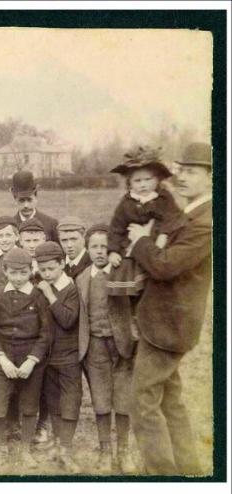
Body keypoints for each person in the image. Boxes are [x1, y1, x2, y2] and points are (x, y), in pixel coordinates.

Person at [127, 142, 212, 475]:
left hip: (168, 326)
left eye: (192, 172)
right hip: (163, 323)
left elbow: (164, 267)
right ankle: (189, 471)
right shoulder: (190, 212)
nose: (181, 177)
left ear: (212, 178)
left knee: (143, 403)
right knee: (170, 402)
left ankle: (163, 476)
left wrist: (140, 241)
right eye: (181, 170)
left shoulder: (206, 222)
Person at [0, 247, 54, 472]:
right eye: (13, 273)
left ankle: (25, 449)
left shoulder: (38, 296)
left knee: (29, 405)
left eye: (23, 273)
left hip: (29, 360)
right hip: (3, 359)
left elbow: (46, 333)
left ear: (30, 271)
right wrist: (2, 359)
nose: (17, 278)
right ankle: (1, 449)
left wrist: (31, 360)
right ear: (5, 271)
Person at [76, 224, 137, 474]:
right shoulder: (81, 279)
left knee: (123, 399)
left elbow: (138, 306)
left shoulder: (124, 273)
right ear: (87, 249)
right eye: (94, 247)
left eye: (104, 246)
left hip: (122, 345)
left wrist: (134, 335)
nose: (100, 251)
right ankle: (104, 451)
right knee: (100, 400)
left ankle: (124, 451)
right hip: (95, 347)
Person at [107, 146, 182, 300]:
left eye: (148, 179)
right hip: (132, 246)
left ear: (157, 180)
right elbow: (116, 227)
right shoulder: (126, 202)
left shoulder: (164, 197)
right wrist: (113, 250)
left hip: (160, 243)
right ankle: (135, 301)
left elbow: (173, 217)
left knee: (158, 277)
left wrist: (163, 235)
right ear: (130, 183)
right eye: (137, 181)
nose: (143, 184)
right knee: (132, 277)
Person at [34, 242, 82, 473]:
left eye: (51, 269)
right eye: (42, 270)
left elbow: (67, 320)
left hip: (69, 356)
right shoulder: (41, 287)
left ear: (62, 264)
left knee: (71, 400)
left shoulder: (70, 288)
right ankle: (55, 444)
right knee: (53, 401)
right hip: (48, 357)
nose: (46, 274)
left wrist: (48, 293)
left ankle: (66, 447)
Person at [10, 170, 59, 242]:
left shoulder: (51, 224)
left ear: (36, 197)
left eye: (29, 200)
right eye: (21, 200)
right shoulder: (9, 226)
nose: (26, 205)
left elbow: (59, 252)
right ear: (15, 199)